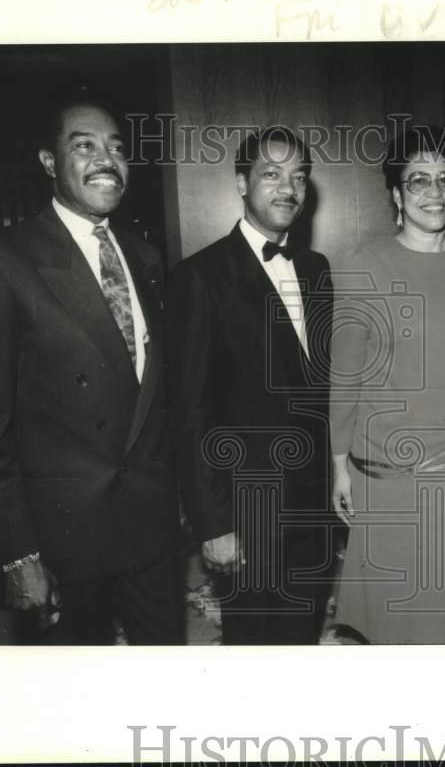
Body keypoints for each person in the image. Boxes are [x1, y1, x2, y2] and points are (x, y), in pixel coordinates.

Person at [0, 100, 184, 644]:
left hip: (150, 530)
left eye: (118, 149)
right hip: (61, 539)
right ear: (49, 162)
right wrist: (17, 555)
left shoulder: (146, 258)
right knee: (71, 699)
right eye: (85, 146)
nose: (107, 160)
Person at [329, 127, 445, 644]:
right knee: (405, 619)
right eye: (417, 181)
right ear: (395, 194)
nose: (434, 192)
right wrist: (338, 464)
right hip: (395, 473)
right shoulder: (364, 263)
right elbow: (345, 375)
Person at [166, 126, 334, 645]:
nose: (288, 188)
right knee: (255, 645)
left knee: (302, 633)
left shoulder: (316, 268)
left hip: (313, 499)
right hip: (246, 504)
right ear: (242, 184)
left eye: (298, 177)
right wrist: (213, 523)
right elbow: (188, 411)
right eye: (271, 174)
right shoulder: (199, 277)